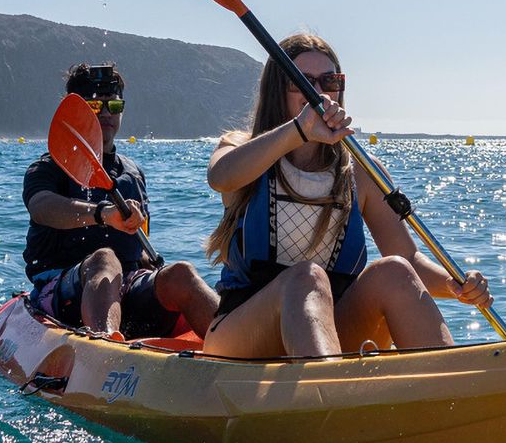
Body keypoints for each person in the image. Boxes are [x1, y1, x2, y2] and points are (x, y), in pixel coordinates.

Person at [201, 32, 491, 358]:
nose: (318, 91)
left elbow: (409, 259)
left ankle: (450, 389)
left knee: (394, 270)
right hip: (243, 337)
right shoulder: (241, 148)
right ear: (277, 91)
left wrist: (455, 285)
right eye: (303, 82)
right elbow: (220, 178)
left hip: (335, 329)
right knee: (306, 277)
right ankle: (326, 389)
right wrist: (299, 130)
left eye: (330, 80)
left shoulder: (362, 171)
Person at [22, 62, 218, 338]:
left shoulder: (133, 174)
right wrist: (102, 213)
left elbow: (138, 245)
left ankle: (237, 344)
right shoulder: (47, 168)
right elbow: (41, 207)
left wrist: (150, 267)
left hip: (126, 287)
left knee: (181, 274)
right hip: (62, 291)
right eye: (94, 107)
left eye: (114, 106)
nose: (105, 113)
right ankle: (106, 350)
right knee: (105, 258)